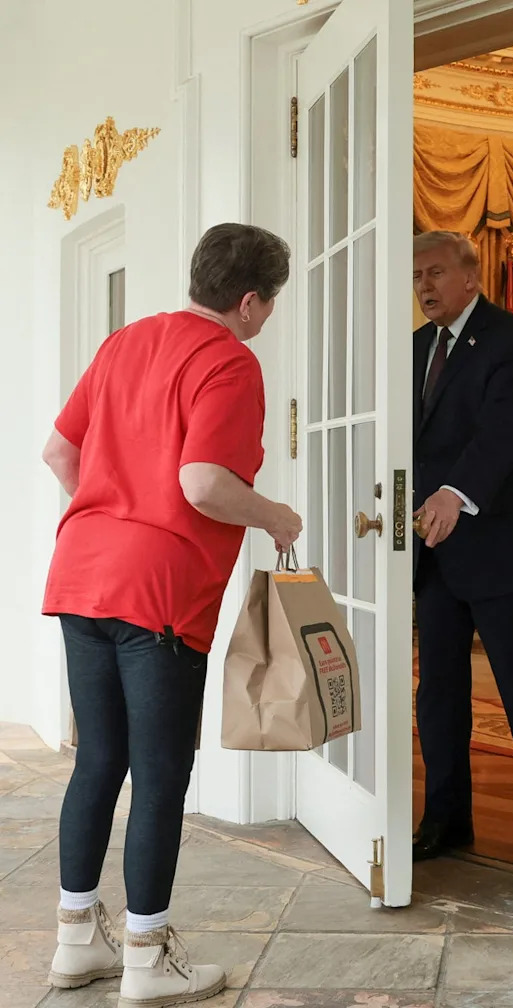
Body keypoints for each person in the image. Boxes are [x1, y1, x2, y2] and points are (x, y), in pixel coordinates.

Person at [41, 223, 302, 1007]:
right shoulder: (229, 360)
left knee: (98, 760)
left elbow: (59, 452)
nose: (268, 317)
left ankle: (75, 943)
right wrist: (276, 516)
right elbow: (203, 482)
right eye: (271, 303)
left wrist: (113, 511)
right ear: (248, 302)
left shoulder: (124, 342)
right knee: (159, 773)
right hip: (158, 592)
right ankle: (147, 959)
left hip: (81, 573)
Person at [411, 230, 513, 861]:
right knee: (438, 694)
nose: (424, 286)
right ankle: (445, 819)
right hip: (433, 555)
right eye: (417, 277)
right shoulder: (413, 348)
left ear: (470, 277)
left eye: (434, 273)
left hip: (499, 552)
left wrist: (455, 494)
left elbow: (503, 433)